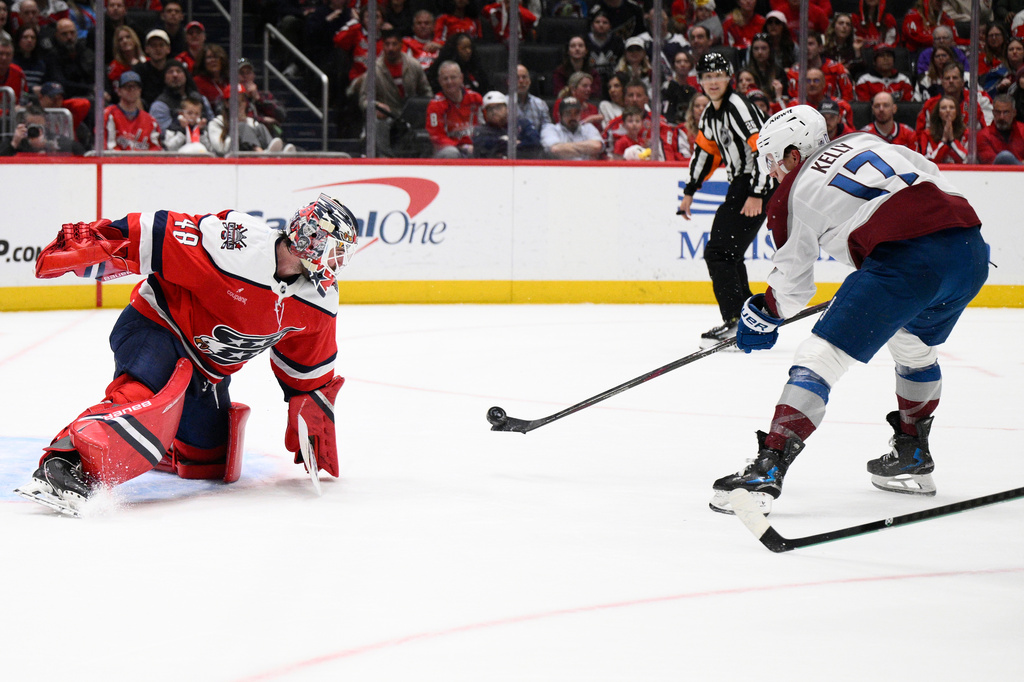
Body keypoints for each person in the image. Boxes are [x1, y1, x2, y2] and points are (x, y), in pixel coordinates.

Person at [709, 105, 988, 515]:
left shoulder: (792, 191)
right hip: (968, 249)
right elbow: (935, 181)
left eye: (772, 161)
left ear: (792, 154)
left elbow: (792, 286)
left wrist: (762, 314)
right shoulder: (869, 141)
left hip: (905, 261)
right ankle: (912, 454)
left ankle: (766, 471)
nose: (771, 173)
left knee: (818, 357)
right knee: (912, 346)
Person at [15, 194, 358, 518]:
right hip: (158, 326)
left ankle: (157, 439)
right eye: (335, 250)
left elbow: (308, 364)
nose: (338, 262)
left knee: (207, 463)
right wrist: (103, 237)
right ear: (311, 238)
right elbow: (162, 233)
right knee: (145, 401)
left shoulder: (319, 298)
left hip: (206, 373)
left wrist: (309, 403)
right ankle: (64, 460)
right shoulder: (237, 243)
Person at [677, 52, 773, 348]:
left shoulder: (737, 107)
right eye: (707, 77)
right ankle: (748, 321)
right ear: (700, 81)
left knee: (719, 252)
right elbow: (705, 154)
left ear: (729, 77)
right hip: (742, 185)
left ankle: (737, 320)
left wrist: (758, 192)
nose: (713, 81)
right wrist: (690, 191)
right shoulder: (710, 114)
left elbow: (764, 149)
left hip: (754, 183)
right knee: (728, 254)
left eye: (718, 75)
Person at [356, 28, 432, 156]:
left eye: (394, 44)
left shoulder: (414, 65)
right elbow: (363, 99)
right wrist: (376, 106)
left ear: (401, 45)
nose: (390, 48)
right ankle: (384, 158)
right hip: (388, 114)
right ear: (383, 46)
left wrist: (423, 109)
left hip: (411, 114)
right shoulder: (374, 70)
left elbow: (427, 93)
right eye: (387, 44)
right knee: (378, 121)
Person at [425, 59, 483, 158]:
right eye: (445, 79)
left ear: (461, 78)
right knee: (451, 153)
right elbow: (436, 137)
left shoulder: (475, 98)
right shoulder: (435, 105)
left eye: (453, 77)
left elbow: (485, 126)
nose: (449, 82)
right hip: (448, 149)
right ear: (439, 81)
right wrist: (461, 147)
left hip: (474, 147)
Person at [915, 62, 993, 133]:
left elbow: (988, 130)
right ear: (942, 82)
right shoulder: (930, 104)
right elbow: (922, 135)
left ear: (962, 82)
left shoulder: (978, 99)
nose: (951, 81)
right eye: (947, 78)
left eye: (955, 78)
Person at [472, 90, 543, 158]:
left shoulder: (522, 124)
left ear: (507, 108)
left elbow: (535, 143)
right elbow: (485, 147)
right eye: (489, 109)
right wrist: (514, 144)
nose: (494, 111)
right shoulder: (481, 131)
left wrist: (503, 145)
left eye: (498, 107)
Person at [786, 32, 853, 103]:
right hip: (805, 111)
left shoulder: (836, 68)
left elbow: (848, 97)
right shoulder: (794, 72)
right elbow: (794, 102)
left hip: (832, 111)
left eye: (811, 44)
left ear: (820, 48)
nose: (807, 48)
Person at [148, 58, 213, 132]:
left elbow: (212, 125)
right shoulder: (159, 105)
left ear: (186, 75)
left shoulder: (200, 99)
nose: (175, 75)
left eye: (179, 71)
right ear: (164, 78)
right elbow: (162, 134)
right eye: (170, 72)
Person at [104, 69, 161, 150]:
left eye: (135, 87)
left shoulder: (150, 121)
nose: (132, 90)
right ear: (119, 91)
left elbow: (156, 149)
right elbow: (108, 148)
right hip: (116, 162)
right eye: (127, 87)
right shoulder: (108, 114)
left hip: (143, 162)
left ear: (140, 91)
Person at [0, 101, 84, 154]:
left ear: (45, 125)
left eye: (40, 126)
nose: (36, 130)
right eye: (31, 125)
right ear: (23, 124)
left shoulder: (52, 139)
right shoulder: (18, 140)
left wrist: (51, 147)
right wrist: (14, 144)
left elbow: (78, 150)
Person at [239, 57, 287, 140]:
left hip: (268, 136)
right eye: (241, 73)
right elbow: (239, 118)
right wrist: (263, 119)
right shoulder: (231, 97)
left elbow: (281, 115)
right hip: (244, 137)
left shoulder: (264, 96)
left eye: (248, 73)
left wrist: (258, 99)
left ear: (254, 76)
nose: (245, 76)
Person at [46, 16, 91, 98]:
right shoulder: (53, 56)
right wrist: (90, 89)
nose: (69, 37)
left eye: (72, 33)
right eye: (64, 34)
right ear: (57, 35)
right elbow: (61, 83)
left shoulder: (85, 52)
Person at [918, 94, 969, 162]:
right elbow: (928, 162)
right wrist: (944, 140)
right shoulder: (927, 134)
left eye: (951, 107)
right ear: (938, 113)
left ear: (957, 112)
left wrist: (952, 140)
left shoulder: (966, 133)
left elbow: (966, 160)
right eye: (943, 108)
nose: (948, 110)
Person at [977, 94, 1024, 163]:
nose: (1001, 117)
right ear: (993, 113)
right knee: (1004, 156)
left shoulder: (1022, 130)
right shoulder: (983, 136)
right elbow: (992, 164)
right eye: (998, 112)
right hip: (996, 173)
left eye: (1006, 112)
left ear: (1014, 113)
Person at [133, 28, 173, 107]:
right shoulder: (139, 70)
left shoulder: (175, 69)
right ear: (146, 49)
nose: (157, 49)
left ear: (168, 49)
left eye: (161, 45)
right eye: (153, 45)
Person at [585, 10, 624, 90]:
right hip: (590, 82)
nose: (601, 25)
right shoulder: (584, 41)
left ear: (610, 26)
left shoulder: (617, 42)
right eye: (597, 22)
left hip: (612, 82)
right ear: (592, 25)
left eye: (605, 22)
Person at [515, 64, 552, 132]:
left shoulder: (540, 104)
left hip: (535, 141)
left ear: (529, 81)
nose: (521, 81)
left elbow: (548, 129)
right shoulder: (504, 103)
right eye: (517, 78)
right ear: (509, 82)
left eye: (524, 77)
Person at [192, 43, 230, 110]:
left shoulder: (228, 80)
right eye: (209, 57)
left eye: (216, 57)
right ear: (203, 61)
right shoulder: (197, 81)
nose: (213, 60)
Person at [661, 51, 696, 124]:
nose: (682, 64)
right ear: (674, 65)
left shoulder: (692, 90)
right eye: (678, 62)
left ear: (690, 65)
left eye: (686, 61)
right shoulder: (667, 87)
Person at [0, 34, 28, 103]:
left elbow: (24, 100)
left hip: (12, 113)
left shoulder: (19, 73)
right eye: (1, 54)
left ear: (12, 56)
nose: (4, 58)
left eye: (8, 54)